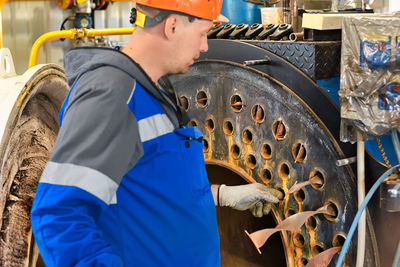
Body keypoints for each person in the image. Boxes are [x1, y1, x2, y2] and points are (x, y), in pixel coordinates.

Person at [30, 0, 283, 266]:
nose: (204, 45)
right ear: (172, 26)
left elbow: (148, 189)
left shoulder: (151, 91)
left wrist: (222, 195)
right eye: (202, 33)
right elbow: (58, 215)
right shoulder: (112, 96)